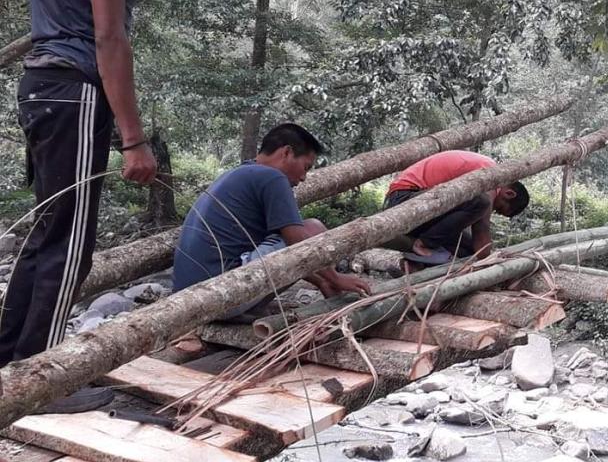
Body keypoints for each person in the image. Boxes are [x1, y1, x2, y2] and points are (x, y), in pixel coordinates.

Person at [0, 0, 162, 413]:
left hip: (43, 87)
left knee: (48, 233)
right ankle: (42, 383)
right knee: (70, 244)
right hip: (73, 91)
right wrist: (133, 139)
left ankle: (10, 366)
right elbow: (108, 36)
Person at [173, 124, 371, 320]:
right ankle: (334, 295)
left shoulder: (240, 173)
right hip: (222, 297)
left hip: (190, 303)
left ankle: (323, 287)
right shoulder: (272, 177)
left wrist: (321, 281)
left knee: (302, 237)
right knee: (312, 228)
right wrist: (336, 278)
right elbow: (298, 243)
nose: (304, 177)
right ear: (286, 152)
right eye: (306, 167)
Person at [384, 150, 530, 265]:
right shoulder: (491, 173)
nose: (493, 210)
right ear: (509, 194)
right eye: (499, 208)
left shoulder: (488, 172)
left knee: (469, 248)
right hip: (404, 199)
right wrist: (492, 262)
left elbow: (477, 246)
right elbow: (481, 229)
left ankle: (414, 266)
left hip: (424, 206)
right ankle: (422, 244)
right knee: (481, 202)